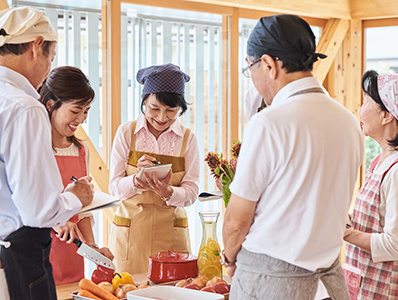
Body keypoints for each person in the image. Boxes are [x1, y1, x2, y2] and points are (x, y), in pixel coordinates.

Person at [222, 14, 364, 300]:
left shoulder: (269, 123)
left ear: (268, 65)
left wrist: (229, 258)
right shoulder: (349, 121)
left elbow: (237, 221)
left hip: (271, 284)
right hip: (330, 285)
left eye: (249, 68)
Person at [0, 7, 94, 300]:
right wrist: (77, 196)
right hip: (18, 257)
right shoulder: (24, 107)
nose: (46, 71)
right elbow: (38, 209)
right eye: (50, 58)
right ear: (36, 46)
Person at [109, 63, 200, 274]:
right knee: (127, 291)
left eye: (171, 110)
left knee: (172, 291)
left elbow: (192, 192)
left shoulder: (189, 139)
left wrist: (168, 192)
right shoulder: (126, 133)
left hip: (171, 234)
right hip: (131, 233)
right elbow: (113, 188)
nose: (161, 117)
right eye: (154, 108)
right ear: (143, 101)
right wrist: (135, 181)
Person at [38, 66, 114, 285]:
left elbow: (83, 211)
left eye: (87, 111)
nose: (81, 119)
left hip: (72, 252)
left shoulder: (81, 150)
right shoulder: (34, 149)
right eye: (75, 110)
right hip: (39, 251)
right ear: (51, 105)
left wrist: (93, 247)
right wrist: (56, 220)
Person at [343, 71, 398, 299]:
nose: (360, 110)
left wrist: (343, 233)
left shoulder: (395, 171)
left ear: (386, 115)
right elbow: (371, 224)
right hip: (361, 283)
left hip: (382, 290)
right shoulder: (379, 161)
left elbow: (394, 244)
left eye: (366, 102)